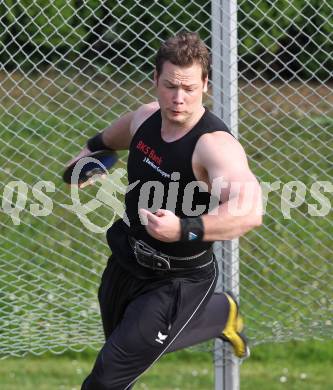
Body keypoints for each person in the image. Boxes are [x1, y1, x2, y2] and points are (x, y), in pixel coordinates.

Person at [70, 31, 262, 390]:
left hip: (177, 280)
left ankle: (218, 310)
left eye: (189, 88)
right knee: (124, 352)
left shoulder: (213, 146)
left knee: (107, 379)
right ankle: (221, 313)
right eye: (171, 86)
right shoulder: (145, 118)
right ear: (156, 80)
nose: (178, 99)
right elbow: (113, 137)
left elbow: (249, 211)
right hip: (126, 260)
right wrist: (90, 155)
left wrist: (184, 228)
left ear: (205, 84)